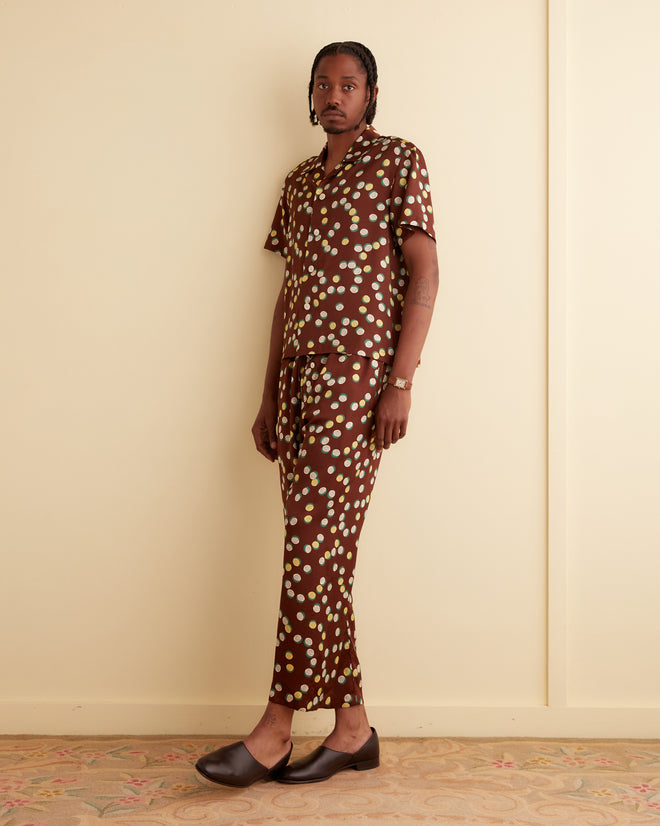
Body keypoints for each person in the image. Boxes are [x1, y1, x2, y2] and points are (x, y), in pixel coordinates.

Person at [196, 40, 438, 788]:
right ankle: (353, 727)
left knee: (310, 549)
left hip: (358, 377)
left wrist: (401, 380)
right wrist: (268, 394)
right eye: (323, 85)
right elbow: (287, 293)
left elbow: (425, 273)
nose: (334, 95)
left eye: (349, 84)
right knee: (323, 555)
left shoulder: (400, 160)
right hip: (299, 385)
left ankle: (275, 728)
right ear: (311, 97)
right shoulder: (298, 183)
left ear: (371, 94)